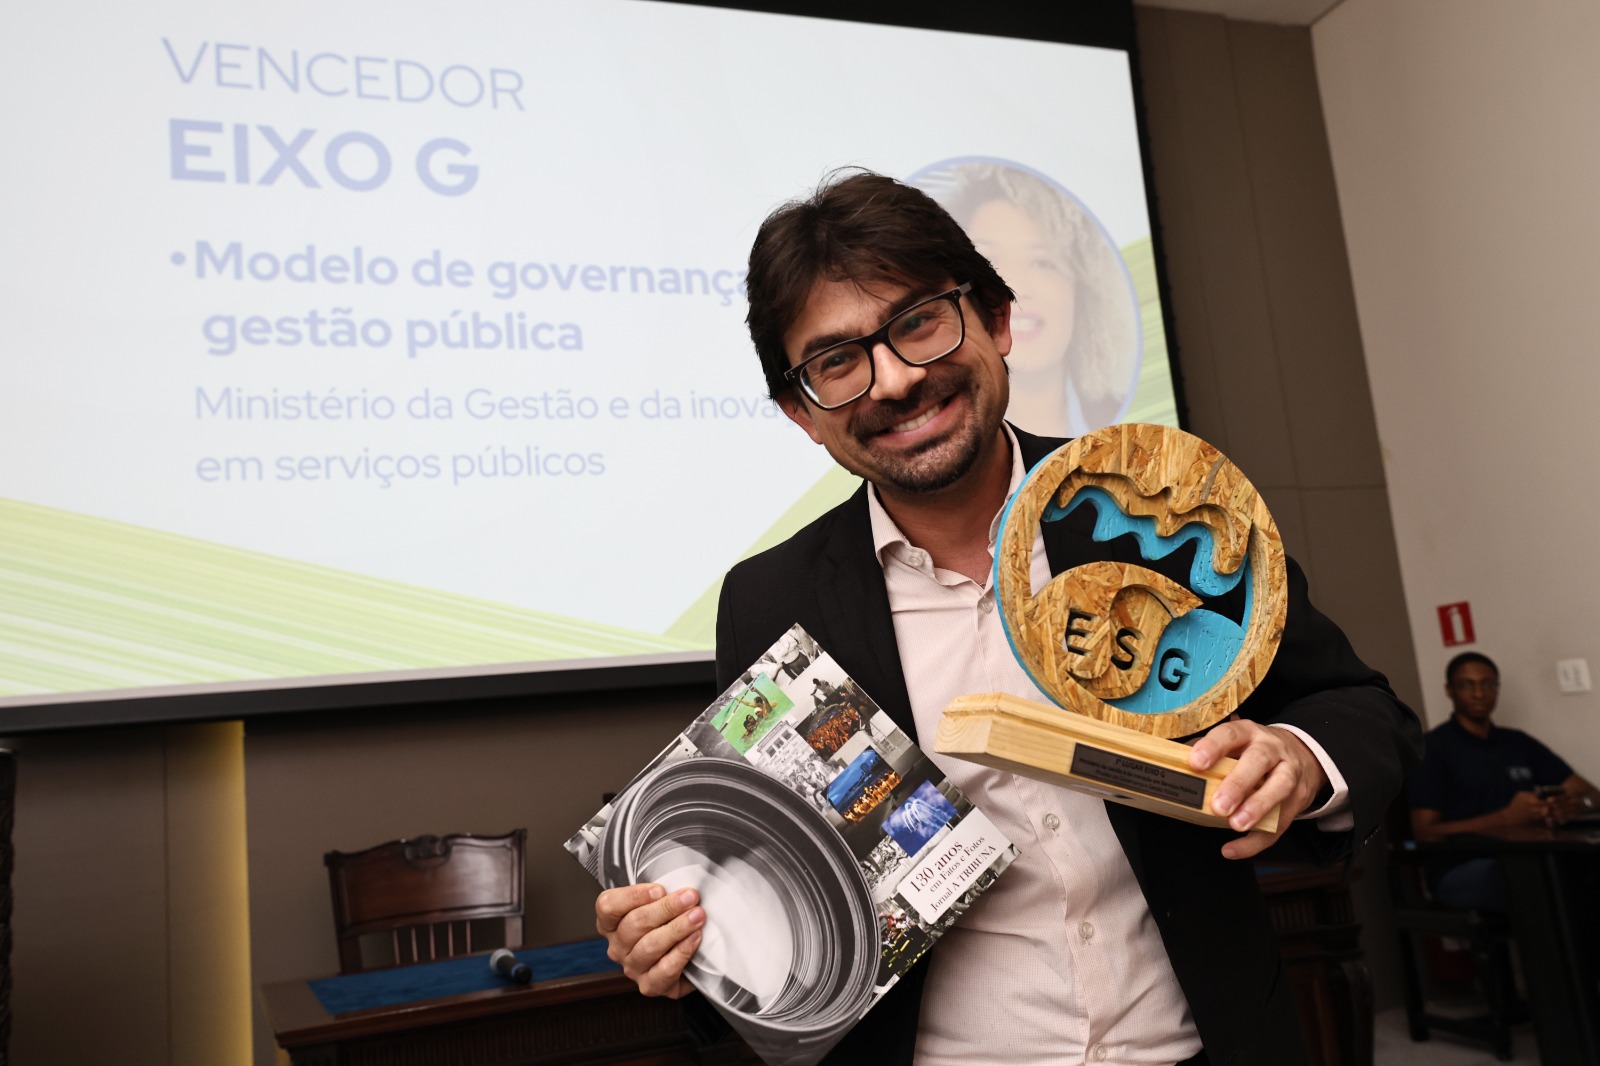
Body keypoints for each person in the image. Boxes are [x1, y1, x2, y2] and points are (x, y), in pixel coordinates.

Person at [595, 171, 1421, 1065]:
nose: (896, 380)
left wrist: (1297, 756)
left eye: (919, 322)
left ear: (996, 320)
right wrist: (684, 942)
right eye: (837, 362)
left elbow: (1362, 710)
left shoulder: (1158, 501)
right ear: (802, 413)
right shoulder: (772, 601)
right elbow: (780, 892)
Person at [914, 160, 1140, 436]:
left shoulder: (1126, 431)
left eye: (1043, 263)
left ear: (1081, 292)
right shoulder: (931, 439)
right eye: (988, 263)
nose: (1017, 286)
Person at [1407, 651, 1600, 909]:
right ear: (1449, 690)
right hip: (1462, 867)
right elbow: (1426, 832)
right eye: (1467, 685)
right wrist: (1507, 818)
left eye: (1488, 684)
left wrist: (1576, 806)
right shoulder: (1432, 748)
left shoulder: (1517, 742)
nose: (1479, 693)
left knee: (1581, 868)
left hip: (1529, 856)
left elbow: (1591, 794)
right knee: (1536, 878)